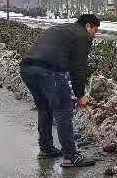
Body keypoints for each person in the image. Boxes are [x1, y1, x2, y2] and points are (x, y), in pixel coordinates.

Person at [19, 14, 100, 167]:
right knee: (64, 109)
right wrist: (80, 95)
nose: (94, 36)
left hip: (27, 69)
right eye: (95, 31)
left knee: (45, 108)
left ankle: (46, 148)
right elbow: (78, 67)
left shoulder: (61, 28)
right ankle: (70, 156)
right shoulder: (82, 35)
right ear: (88, 26)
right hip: (48, 72)